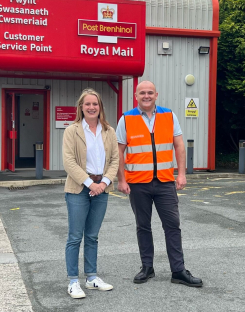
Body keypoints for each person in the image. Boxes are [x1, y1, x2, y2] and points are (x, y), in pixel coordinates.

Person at [116, 80, 203, 287]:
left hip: (165, 182)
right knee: (143, 226)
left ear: (156, 95)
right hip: (138, 183)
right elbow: (118, 151)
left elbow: (179, 146)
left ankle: (178, 270)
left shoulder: (169, 115)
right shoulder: (126, 119)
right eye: (142, 93)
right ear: (136, 96)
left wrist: (181, 174)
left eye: (150, 93)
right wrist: (121, 179)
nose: (146, 96)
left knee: (172, 226)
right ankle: (147, 267)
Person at [62, 88, 119, 299]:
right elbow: (69, 161)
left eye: (95, 104)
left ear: (100, 107)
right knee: (75, 237)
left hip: (101, 189)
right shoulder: (72, 130)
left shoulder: (109, 131)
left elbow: (114, 160)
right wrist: (89, 183)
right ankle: (73, 281)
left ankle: (92, 277)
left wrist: (103, 183)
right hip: (78, 189)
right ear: (81, 107)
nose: (92, 107)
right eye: (87, 104)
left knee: (92, 236)